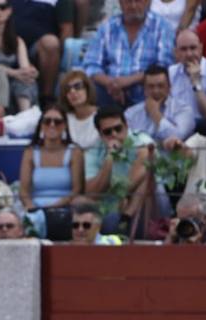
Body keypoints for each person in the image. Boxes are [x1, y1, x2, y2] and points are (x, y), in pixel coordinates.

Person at [83, 0, 177, 108]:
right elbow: (91, 65)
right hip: (110, 93)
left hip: (146, 92)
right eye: (128, 1)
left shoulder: (162, 27)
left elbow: (163, 66)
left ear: (148, 2)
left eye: (138, 1)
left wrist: (128, 81)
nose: (133, 6)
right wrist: (111, 83)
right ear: (120, 3)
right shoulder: (107, 27)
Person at [83, 105, 152, 233]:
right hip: (110, 206)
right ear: (100, 134)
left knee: (148, 176)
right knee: (107, 217)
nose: (114, 134)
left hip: (145, 204)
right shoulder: (93, 151)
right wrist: (110, 158)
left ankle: (127, 216)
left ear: (126, 126)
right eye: (108, 132)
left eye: (118, 129)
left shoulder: (141, 141)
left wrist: (121, 195)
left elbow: (143, 167)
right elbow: (92, 192)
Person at [18, 105, 82, 238]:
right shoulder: (30, 152)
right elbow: (23, 190)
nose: (52, 125)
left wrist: (53, 208)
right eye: (47, 121)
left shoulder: (74, 152)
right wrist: (33, 209)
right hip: (36, 210)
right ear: (41, 125)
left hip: (65, 209)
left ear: (64, 126)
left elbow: (76, 190)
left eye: (57, 122)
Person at [9, 0, 72, 103]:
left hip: (38, 46)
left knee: (51, 43)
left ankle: (46, 98)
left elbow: (67, 28)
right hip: (8, 44)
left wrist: (59, 56)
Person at [0, 0, 36, 113]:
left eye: (2, 7)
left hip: (14, 82)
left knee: (26, 80)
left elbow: (24, 67)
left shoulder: (17, 41)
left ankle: (25, 116)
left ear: (9, 11)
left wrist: (30, 72)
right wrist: (16, 73)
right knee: (18, 79)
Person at [164, 109, 206, 218]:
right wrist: (175, 145)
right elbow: (186, 152)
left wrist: (199, 210)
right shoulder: (199, 141)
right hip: (186, 216)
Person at [170, 28, 206, 137]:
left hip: (203, 132)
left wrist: (196, 82)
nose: (189, 54)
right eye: (183, 49)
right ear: (176, 52)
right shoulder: (170, 73)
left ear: (201, 48)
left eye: (193, 48)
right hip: (176, 130)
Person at [126, 64, 194, 142]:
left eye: (160, 86)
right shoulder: (131, 113)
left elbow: (178, 138)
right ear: (144, 89)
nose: (156, 91)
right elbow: (127, 141)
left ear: (169, 87)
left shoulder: (183, 110)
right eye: (151, 86)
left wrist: (155, 114)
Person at [59, 68, 99, 148]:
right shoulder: (64, 119)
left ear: (87, 89)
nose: (72, 91)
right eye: (67, 89)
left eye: (78, 86)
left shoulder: (102, 116)